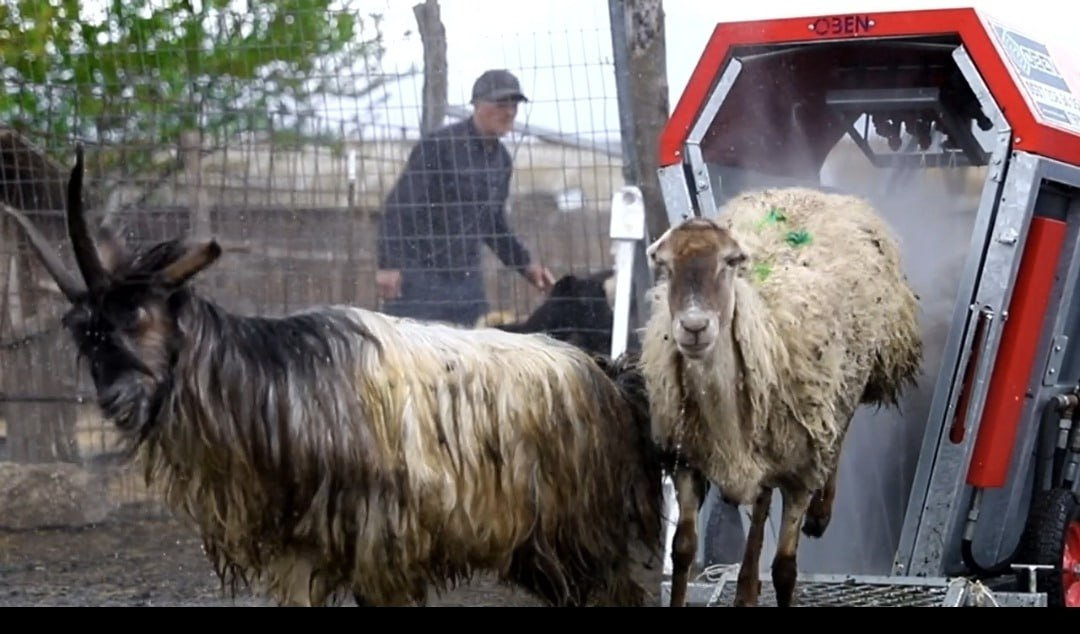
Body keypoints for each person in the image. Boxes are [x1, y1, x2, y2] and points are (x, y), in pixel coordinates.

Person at [375, 69, 555, 326]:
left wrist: (527, 266)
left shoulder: (501, 161)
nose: (510, 112)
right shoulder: (439, 146)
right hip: (421, 278)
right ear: (478, 105)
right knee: (418, 356)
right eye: (501, 103)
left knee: (470, 354)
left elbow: (494, 225)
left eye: (514, 104)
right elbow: (399, 206)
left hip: (467, 282)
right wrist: (388, 265)